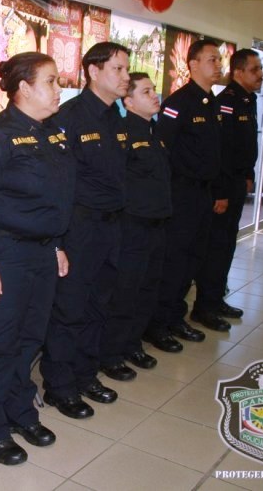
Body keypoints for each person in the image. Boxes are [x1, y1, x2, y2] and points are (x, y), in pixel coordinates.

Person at [0, 52, 74, 465]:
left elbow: (57, 197)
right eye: (50, 81)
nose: (58, 89)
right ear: (25, 88)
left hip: (42, 252)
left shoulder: (55, 133)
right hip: (4, 254)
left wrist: (57, 244)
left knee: (30, 338)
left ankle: (20, 411)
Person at [40, 42, 130, 419]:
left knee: (98, 304)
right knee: (70, 307)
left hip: (111, 225)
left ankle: (85, 374)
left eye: (127, 69)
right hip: (79, 227)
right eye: (118, 69)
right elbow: (59, 182)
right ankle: (60, 386)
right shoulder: (70, 116)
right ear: (94, 71)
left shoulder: (117, 118)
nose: (125, 77)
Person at [144, 39, 226, 354]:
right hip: (181, 193)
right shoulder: (179, 102)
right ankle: (157, 324)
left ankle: (175, 317)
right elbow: (163, 149)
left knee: (193, 259)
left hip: (203, 193)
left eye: (219, 60)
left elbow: (213, 152)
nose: (218, 65)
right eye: (211, 60)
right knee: (174, 260)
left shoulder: (212, 102)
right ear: (192, 64)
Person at [101, 73, 171, 373]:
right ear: (128, 102)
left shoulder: (155, 132)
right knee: (125, 292)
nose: (155, 95)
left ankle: (132, 344)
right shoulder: (124, 133)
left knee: (148, 288)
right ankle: (111, 353)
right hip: (132, 226)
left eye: (153, 90)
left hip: (157, 223)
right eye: (146, 92)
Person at [194, 49, 263, 321]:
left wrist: (249, 175)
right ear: (238, 72)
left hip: (237, 181)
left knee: (227, 245)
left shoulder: (248, 101)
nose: (261, 74)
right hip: (223, 184)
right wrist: (221, 191)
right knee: (217, 246)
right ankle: (206, 305)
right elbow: (220, 152)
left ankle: (215, 298)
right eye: (255, 69)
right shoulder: (226, 102)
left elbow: (246, 145)